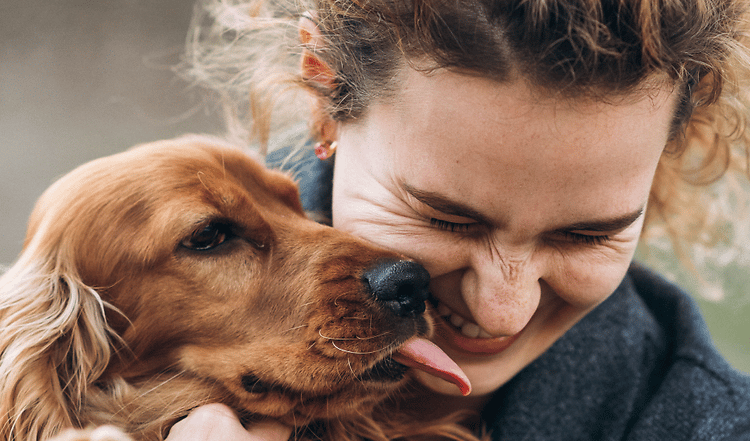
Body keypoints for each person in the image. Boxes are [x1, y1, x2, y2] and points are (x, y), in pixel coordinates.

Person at [172, 0, 750, 439]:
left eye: (588, 235)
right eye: (447, 219)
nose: (502, 310)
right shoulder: (112, 281)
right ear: (325, 95)